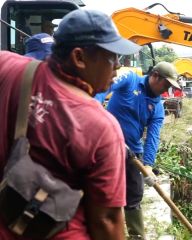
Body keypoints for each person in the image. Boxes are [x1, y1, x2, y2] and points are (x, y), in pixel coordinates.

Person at [0, 9, 141, 240]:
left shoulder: (8, 67)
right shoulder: (101, 127)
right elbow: (106, 221)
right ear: (79, 58)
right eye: (111, 56)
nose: (117, 65)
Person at [95, 61, 180, 239]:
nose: (166, 90)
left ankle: (137, 236)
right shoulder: (130, 78)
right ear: (155, 76)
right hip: (107, 145)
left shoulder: (157, 107)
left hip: (132, 152)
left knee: (134, 197)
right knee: (104, 193)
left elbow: (152, 137)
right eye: (166, 84)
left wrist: (148, 164)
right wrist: (94, 107)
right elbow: (105, 86)